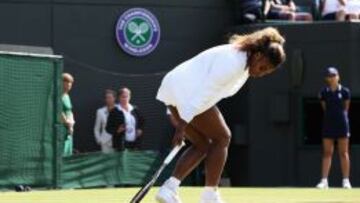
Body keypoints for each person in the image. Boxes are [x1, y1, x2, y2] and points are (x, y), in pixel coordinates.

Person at [155, 27, 286, 203]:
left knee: (203, 144)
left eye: (266, 72)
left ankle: (169, 189)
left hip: (176, 90)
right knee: (223, 138)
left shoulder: (242, 61)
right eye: (262, 67)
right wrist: (181, 125)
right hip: (187, 92)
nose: (261, 73)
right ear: (258, 56)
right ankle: (210, 196)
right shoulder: (234, 63)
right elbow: (204, 92)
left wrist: (178, 114)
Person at [316, 67, 352, 189]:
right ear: (327, 78)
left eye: (334, 75)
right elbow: (325, 107)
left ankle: (346, 181)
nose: (332, 78)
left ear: (338, 77)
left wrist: (340, 117)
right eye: (329, 76)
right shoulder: (323, 93)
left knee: (344, 152)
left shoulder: (346, 92)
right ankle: (324, 180)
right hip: (328, 124)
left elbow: (346, 108)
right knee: (327, 153)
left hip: (342, 124)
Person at [94, 90, 117, 154]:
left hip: (117, 142)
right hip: (105, 142)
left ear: (114, 98)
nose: (108, 99)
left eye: (110, 97)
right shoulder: (100, 111)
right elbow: (96, 128)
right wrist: (99, 140)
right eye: (106, 98)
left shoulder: (120, 109)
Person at [61, 73, 75, 157]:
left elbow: (70, 111)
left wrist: (72, 124)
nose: (69, 85)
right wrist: (68, 125)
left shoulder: (67, 96)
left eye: (71, 82)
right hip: (61, 129)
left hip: (69, 130)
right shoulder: (57, 96)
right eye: (67, 82)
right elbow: (59, 112)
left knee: (68, 154)